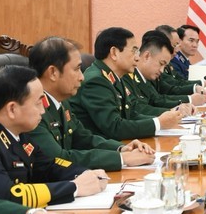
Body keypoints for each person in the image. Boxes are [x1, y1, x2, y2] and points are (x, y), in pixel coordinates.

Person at [0, 66, 107, 207]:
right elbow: (6, 196)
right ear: (12, 109)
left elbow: (48, 166)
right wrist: (74, 187)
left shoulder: (14, 131)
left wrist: (87, 174)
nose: (43, 111)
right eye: (38, 103)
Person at [29, 36, 156, 171]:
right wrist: (122, 159)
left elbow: (83, 138)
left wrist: (122, 148)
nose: (82, 77)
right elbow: (59, 158)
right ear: (53, 73)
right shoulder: (32, 109)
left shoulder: (61, 102)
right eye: (77, 69)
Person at [69, 27, 183, 140]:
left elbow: (131, 114)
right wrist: (158, 123)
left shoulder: (116, 77)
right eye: (134, 51)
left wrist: (164, 119)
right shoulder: (96, 81)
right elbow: (114, 127)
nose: (138, 58)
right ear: (114, 53)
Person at [125, 31, 203, 114]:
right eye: (161, 64)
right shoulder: (127, 76)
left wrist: (180, 107)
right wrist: (174, 111)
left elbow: (156, 99)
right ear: (147, 56)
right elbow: (138, 109)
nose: (162, 70)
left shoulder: (145, 76)